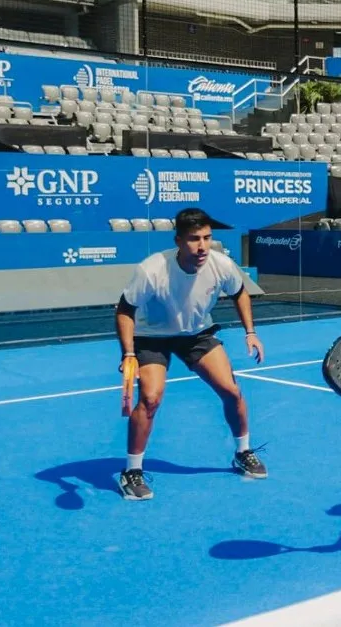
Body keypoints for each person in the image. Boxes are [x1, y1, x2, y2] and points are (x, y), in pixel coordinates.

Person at [114, 207, 268, 501]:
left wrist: (251, 332)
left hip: (196, 334)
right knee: (150, 399)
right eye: (194, 239)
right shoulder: (152, 270)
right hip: (151, 337)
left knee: (231, 391)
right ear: (178, 241)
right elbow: (124, 309)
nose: (202, 246)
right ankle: (131, 471)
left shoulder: (220, 264)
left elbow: (239, 293)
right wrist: (129, 353)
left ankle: (243, 451)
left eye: (207, 238)